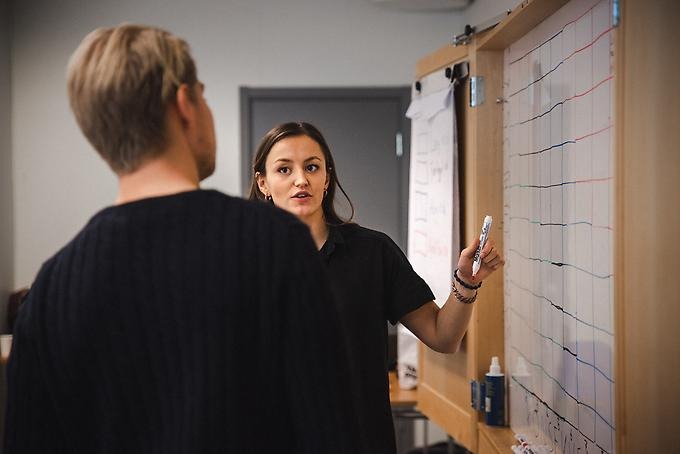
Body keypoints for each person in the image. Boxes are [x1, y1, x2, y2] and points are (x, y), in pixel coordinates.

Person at [4, 26, 362, 454]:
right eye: (204, 95)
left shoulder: (51, 289)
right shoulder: (275, 245)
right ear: (185, 106)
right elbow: (329, 431)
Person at [248, 122, 505, 453]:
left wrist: (467, 282)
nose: (301, 179)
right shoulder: (242, 261)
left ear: (326, 177)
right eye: (284, 169)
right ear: (263, 183)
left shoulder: (371, 252)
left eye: (312, 167)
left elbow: (444, 336)